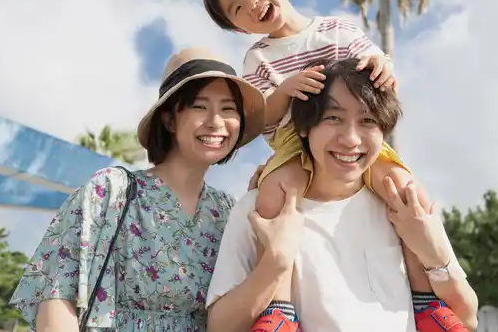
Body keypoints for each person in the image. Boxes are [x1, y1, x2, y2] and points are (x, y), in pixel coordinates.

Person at [202, 0, 440, 327]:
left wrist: (383, 64)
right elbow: (262, 119)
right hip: (293, 143)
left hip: (353, 136)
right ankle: (279, 308)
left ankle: (427, 301)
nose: (252, 5)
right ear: (239, 28)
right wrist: (286, 91)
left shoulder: (336, 30)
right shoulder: (258, 60)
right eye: (237, 9)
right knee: (273, 196)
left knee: (405, 190)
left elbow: (376, 67)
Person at [205, 58, 479, 332]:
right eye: (333, 118)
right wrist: (275, 262)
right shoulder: (258, 210)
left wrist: (434, 256)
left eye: (367, 120)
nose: (351, 139)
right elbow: (220, 327)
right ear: (305, 127)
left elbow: (466, 318)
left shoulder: (404, 206)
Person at [9, 47, 265, 331]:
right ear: (169, 119)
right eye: (199, 106)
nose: (216, 122)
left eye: (228, 109)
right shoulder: (110, 190)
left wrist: (263, 204)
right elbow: (58, 297)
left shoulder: (227, 211)